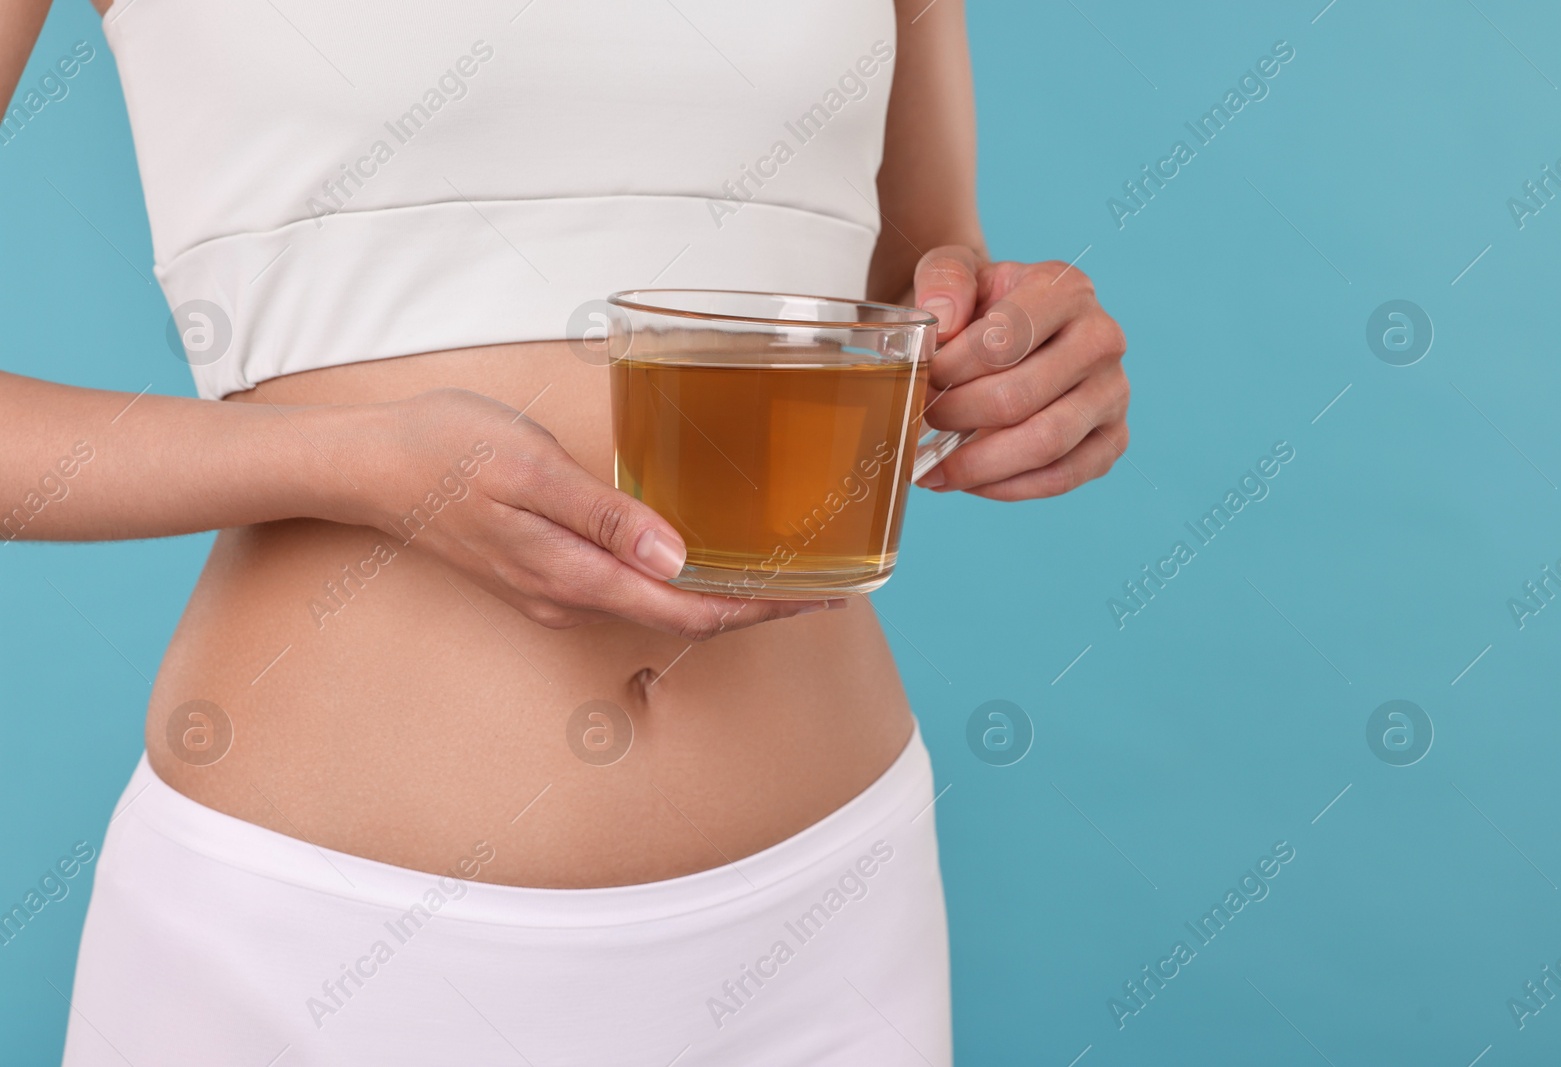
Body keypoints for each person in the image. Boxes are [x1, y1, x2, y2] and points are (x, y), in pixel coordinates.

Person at [3, 0, 1128, 1062]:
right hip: (311, 946)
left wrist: (1021, 355)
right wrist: (351, 461)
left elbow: (912, 284)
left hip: (823, 919)